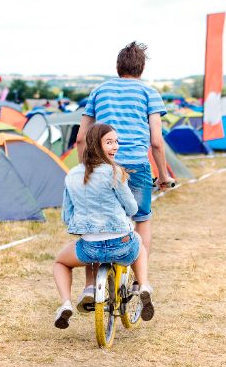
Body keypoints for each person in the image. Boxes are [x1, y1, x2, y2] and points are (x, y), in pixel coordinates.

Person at [75, 41, 173, 308]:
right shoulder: (149, 93)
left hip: (102, 164)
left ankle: (89, 286)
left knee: (96, 219)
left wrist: (85, 170)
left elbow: (81, 138)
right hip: (137, 166)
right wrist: (163, 176)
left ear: (118, 66)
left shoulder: (99, 91)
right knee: (142, 219)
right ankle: (140, 281)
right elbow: (156, 142)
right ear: (141, 68)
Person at [52, 124, 153, 328]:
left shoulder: (72, 175)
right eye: (109, 142)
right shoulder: (114, 172)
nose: (115, 146)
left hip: (90, 247)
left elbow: (66, 215)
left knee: (60, 263)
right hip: (122, 243)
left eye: (116, 142)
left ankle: (66, 303)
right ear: (96, 145)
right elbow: (132, 208)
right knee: (139, 245)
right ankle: (143, 286)